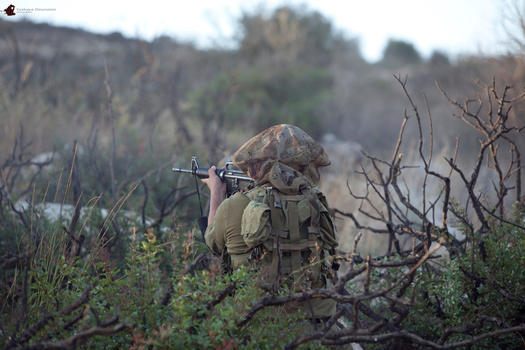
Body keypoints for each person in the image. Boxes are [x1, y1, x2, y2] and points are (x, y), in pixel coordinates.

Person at [202, 124, 339, 320]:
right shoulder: (318, 203)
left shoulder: (236, 205)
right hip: (318, 321)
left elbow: (212, 243)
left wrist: (216, 193)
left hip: (260, 323)